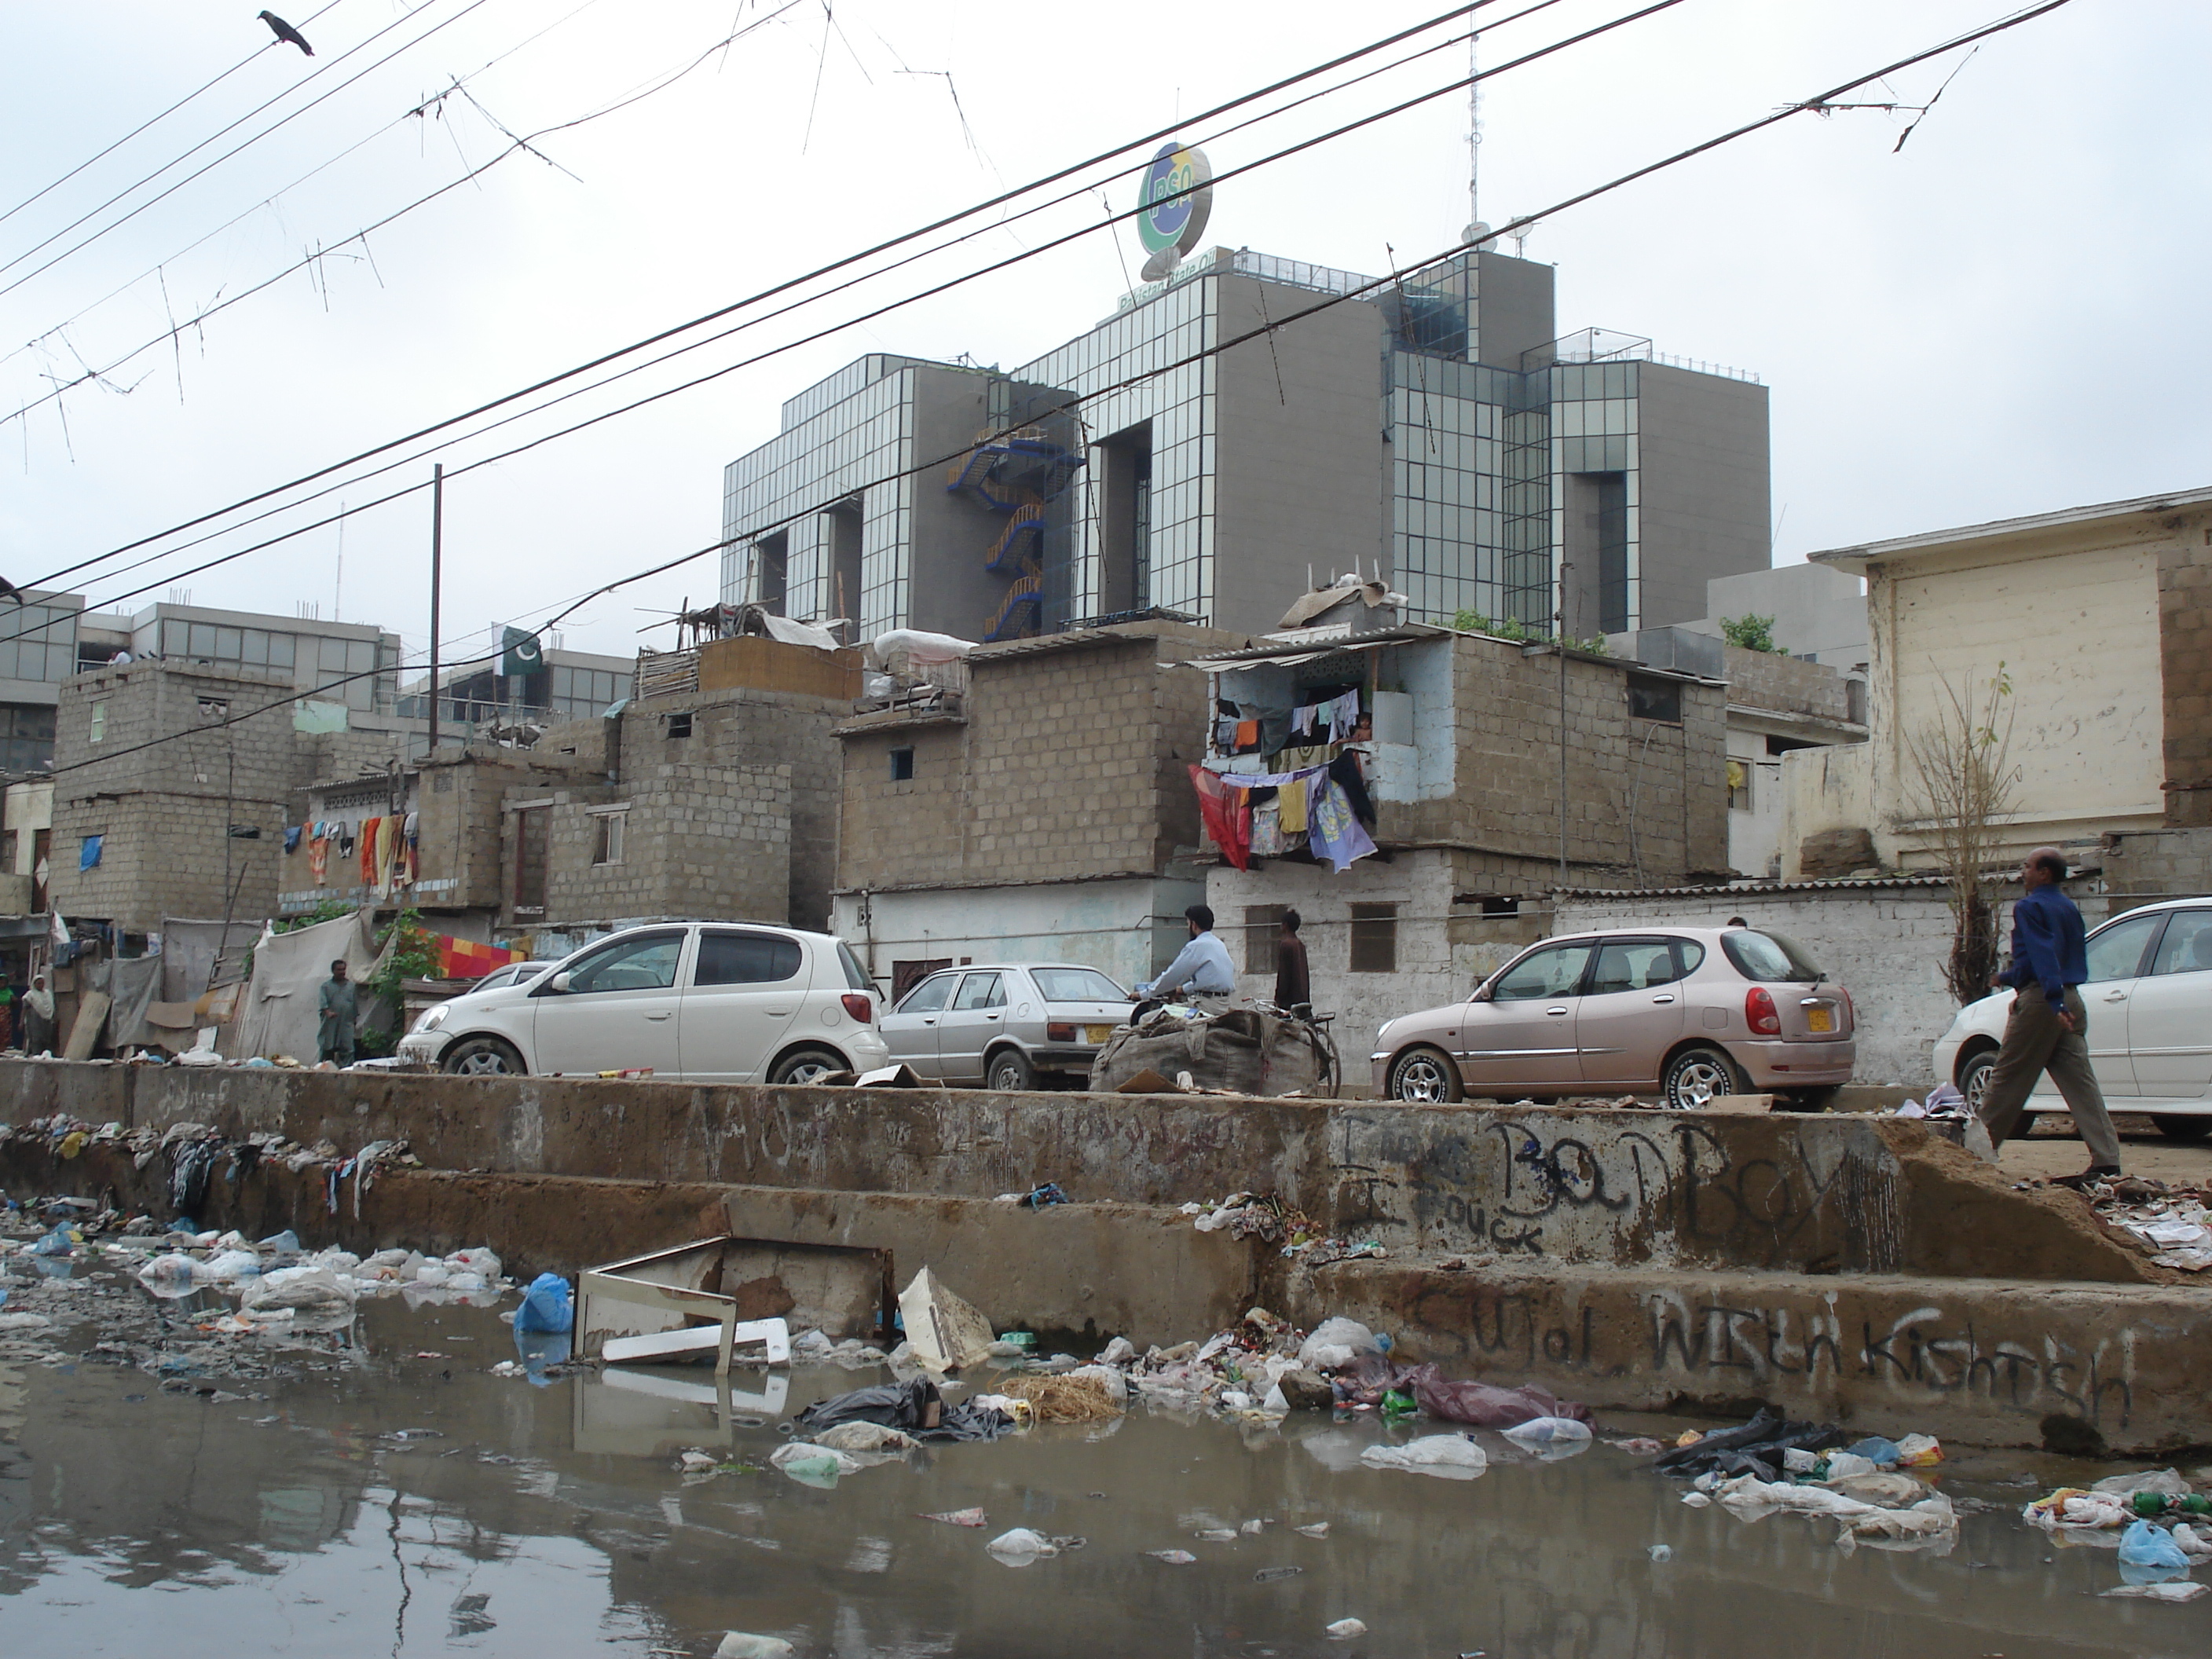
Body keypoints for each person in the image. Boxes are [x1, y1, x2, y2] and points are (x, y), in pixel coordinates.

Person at [1973, 847, 2122, 1185]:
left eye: (2027, 867)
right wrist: (2010, 978)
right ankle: (2107, 1160)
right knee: (2081, 1084)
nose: (2021, 872)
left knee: (2008, 1078)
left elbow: (2042, 955)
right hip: (2071, 996)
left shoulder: (2030, 906)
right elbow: (2049, 955)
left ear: (2044, 873)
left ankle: (1973, 1154)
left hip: (2044, 1001)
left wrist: (2052, 1002)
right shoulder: (2068, 907)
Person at [1137, 904, 1236, 1002]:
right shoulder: (1219, 944)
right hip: (1224, 1002)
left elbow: (1173, 975)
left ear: (1194, 925)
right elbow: (1209, 981)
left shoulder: (1196, 946)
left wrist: (1144, 994)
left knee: (1147, 1018)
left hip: (1206, 1004)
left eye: (1188, 923)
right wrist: (1182, 989)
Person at [317, 958, 359, 1067]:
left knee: (348, 1050)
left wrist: (354, 1021)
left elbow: (354, 1005)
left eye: (343, 969)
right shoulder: (326, 987)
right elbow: (323, 1004)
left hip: (346, 1023)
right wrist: (328, 1012)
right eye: (339, 970)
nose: (342, 972)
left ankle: (346, 1072)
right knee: (327, 1049)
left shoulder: (351, 986)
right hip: (331, 1024)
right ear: (333, 971)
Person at [1275, 908, 1311, 1013]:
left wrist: (1278, 999)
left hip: (1290, 1001)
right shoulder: (1300, 945)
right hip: (1303, 1000)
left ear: (1285, 925)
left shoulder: (1286, 945)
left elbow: (1283, 975)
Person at [22, 972, 54, 1055]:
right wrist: (21, 1021)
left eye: (42, 983)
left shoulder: (48, 994)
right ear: (34, 984)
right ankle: (35, 1055)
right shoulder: (30, 995)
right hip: (34, 1020)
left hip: (47, 1020)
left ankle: (46, 1056)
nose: (41, 985)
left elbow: (51, 1007)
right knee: (36, 1039)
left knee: (47, 1039)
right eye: (39, 983)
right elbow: (25, 1008)